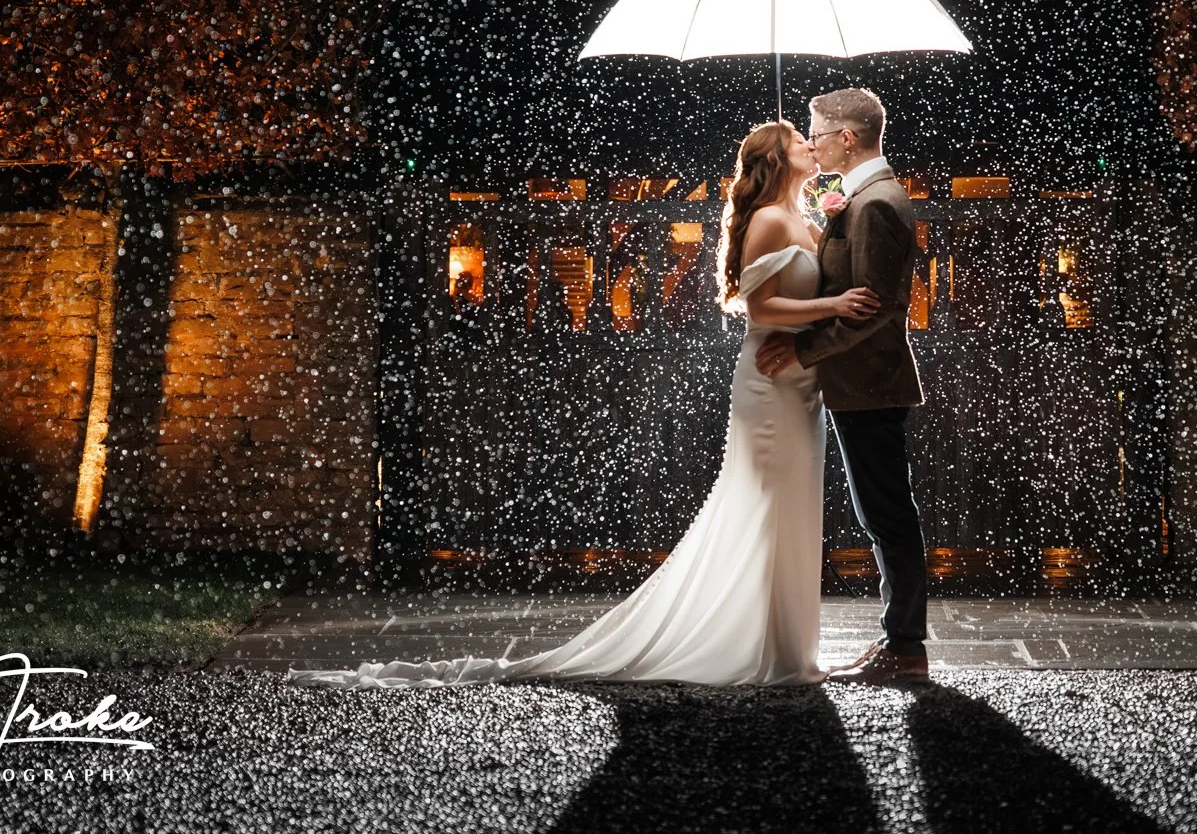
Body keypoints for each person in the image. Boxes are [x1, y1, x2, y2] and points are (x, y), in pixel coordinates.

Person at [286, 119, 878, 689]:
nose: (810, 145)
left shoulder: (802, 217)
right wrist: (833, 307)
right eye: (798, 140)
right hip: (769, 384)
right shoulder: (769, 220)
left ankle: (786, 647)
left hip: (800, 384)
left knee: (793, 508)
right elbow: (760, 307)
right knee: (767, 506)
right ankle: (767, 649)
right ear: (775, 159)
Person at [754, 87, 931, 685]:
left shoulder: (876, 202)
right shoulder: (860, 197)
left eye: (818, 135)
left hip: (871, 383)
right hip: (861, 383)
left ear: (847, 138)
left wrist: (802, 350)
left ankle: (905, 647)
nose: (813, 144)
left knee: (887, 515)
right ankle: (898, 639)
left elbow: (873, 308)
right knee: (881, 512)